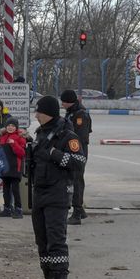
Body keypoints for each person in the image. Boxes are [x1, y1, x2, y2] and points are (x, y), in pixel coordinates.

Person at [28, 96, 85, 279]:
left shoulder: (67, 135)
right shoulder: (40, 133)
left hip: (58, 193)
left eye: (39, 112)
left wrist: (54, 153)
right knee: (42, 241)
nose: (36, 115)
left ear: (49, 113)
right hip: (40, 192)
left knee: (56, 241)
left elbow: (79, 162)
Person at [60, 90, 92, 225]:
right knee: (74, 179)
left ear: (69, 102)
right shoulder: (72, 112)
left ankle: (77, 212)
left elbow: (80, 136)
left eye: (63, 101)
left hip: (78, 151)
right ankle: (80, 211)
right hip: (74, 150)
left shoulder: (80, 114)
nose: (62, 104)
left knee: (76, 181)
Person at [0, 117, 26, 219]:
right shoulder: (2, 137)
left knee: (15, 189)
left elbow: (22, 153)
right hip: (5, 167)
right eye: (8, 125)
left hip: (15, 167)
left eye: (13, 126)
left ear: (16, 127)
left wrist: (14, 144)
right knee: (5, 189)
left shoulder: (20, 138)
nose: (10, 127)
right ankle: (7, 209)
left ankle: (18, 209)